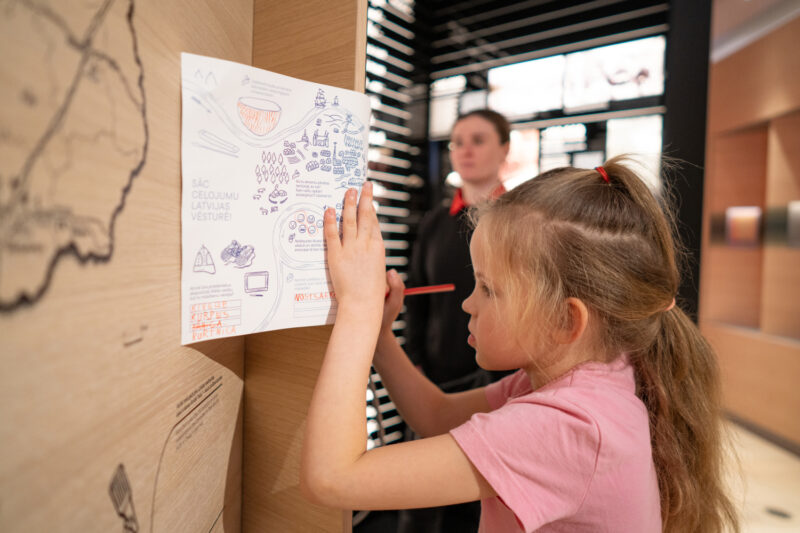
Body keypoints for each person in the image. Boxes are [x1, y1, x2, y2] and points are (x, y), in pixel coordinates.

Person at [301, 157, 739, 532]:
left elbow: (332, 478)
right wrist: (379, 338)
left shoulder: (569, 426)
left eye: (489, 289)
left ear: (566, 320)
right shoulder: (589, 377)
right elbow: (436, 416)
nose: (468, 303)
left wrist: (357, 310)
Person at [401, 108, 512, 531]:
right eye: (457, 141)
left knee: (479, 508)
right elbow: (416, 302)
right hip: (433, 380)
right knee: (420, 507)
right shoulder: (433, 224)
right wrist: (412, 364)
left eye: (478, 139)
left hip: (499, 387)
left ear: (504, 148)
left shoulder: (523, 225)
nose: (465, 150)